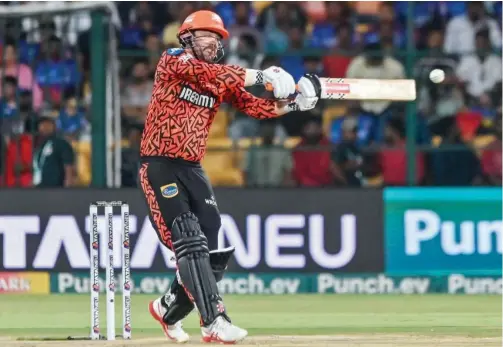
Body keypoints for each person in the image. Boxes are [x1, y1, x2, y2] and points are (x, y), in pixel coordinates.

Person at [139, 10, 321, 344]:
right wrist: (262, 76)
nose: (212, 43)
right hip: (160, 163)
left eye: (217, 39)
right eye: (206, 36)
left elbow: (256, 107)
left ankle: (166, 309)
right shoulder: (173, 59)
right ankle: (214, 323)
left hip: (192, 168)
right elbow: (207, 72)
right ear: (187, 38)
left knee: (211, 252)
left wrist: (296, 102)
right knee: (189, 239)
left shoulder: (219, 78)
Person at [33, 117, 75, 187]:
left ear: (54, 126)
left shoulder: (61, 143)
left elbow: (68, 164)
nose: (45, 128)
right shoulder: (40, 146)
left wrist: (68, 183)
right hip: (41, 187)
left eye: (48, 125)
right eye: (42, 126)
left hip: (56, 187)